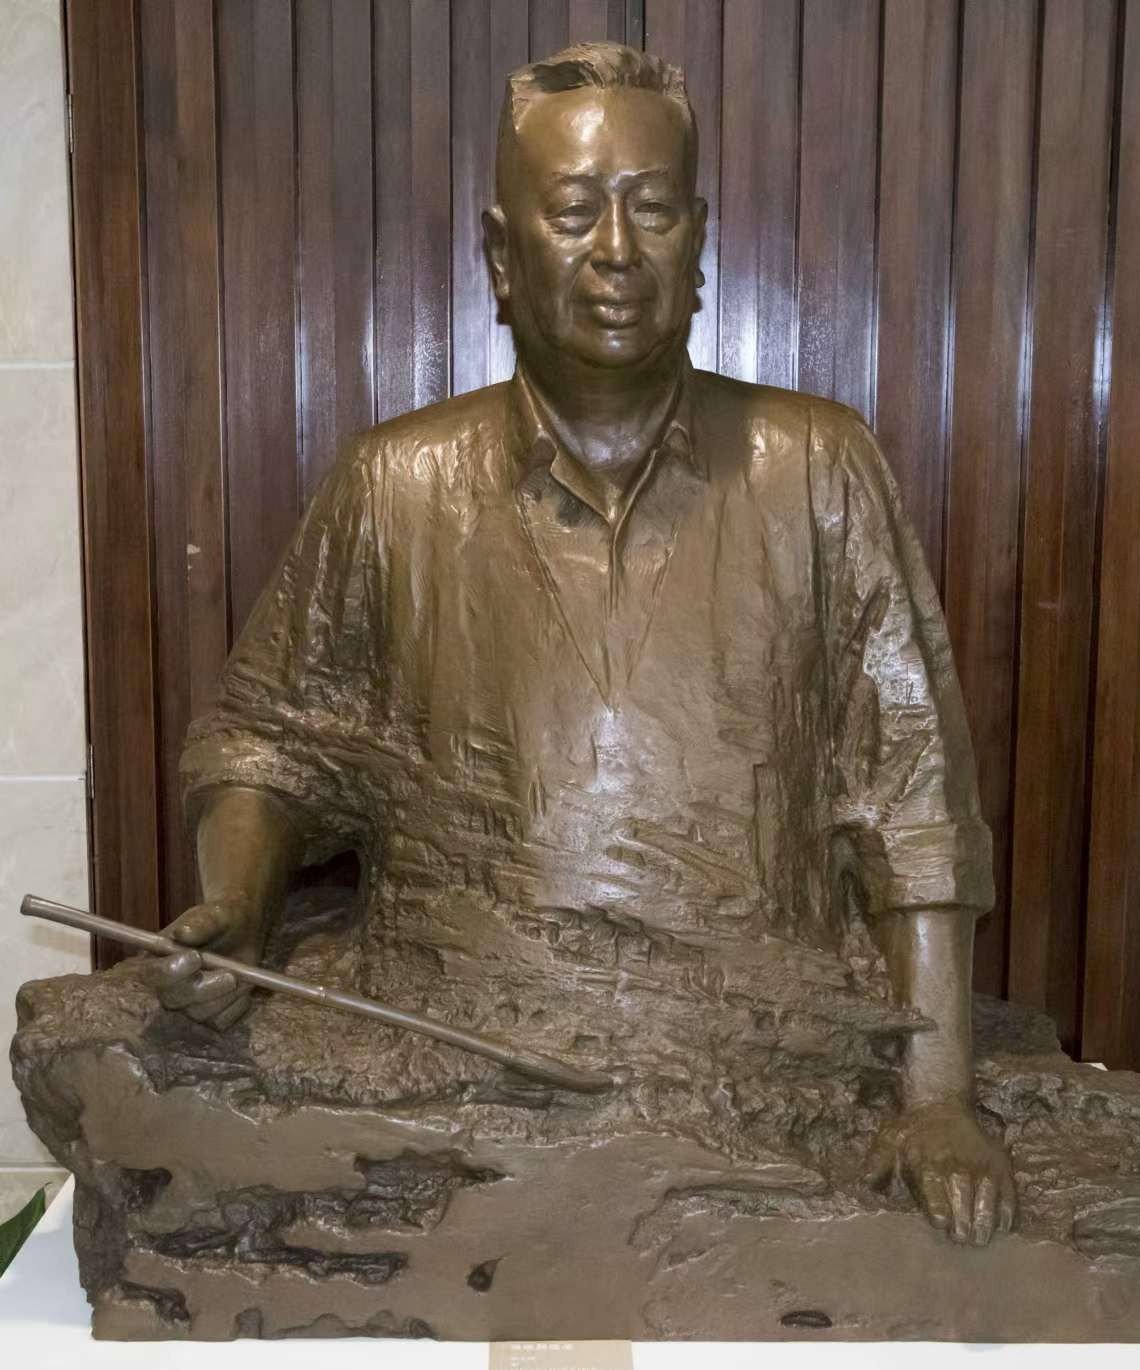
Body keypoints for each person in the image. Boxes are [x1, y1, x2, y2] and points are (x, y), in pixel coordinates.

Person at [159, 43, 1014, 1246]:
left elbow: (910, 790)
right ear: (501, 255)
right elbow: (267, 742)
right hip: (455, 1047)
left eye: (651, 208)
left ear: (695, 241)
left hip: (758, 1058)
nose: (617, 250)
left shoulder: (816, 468)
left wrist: (936, 1098)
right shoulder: (393, 486)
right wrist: (239, 909)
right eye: (572, 212)